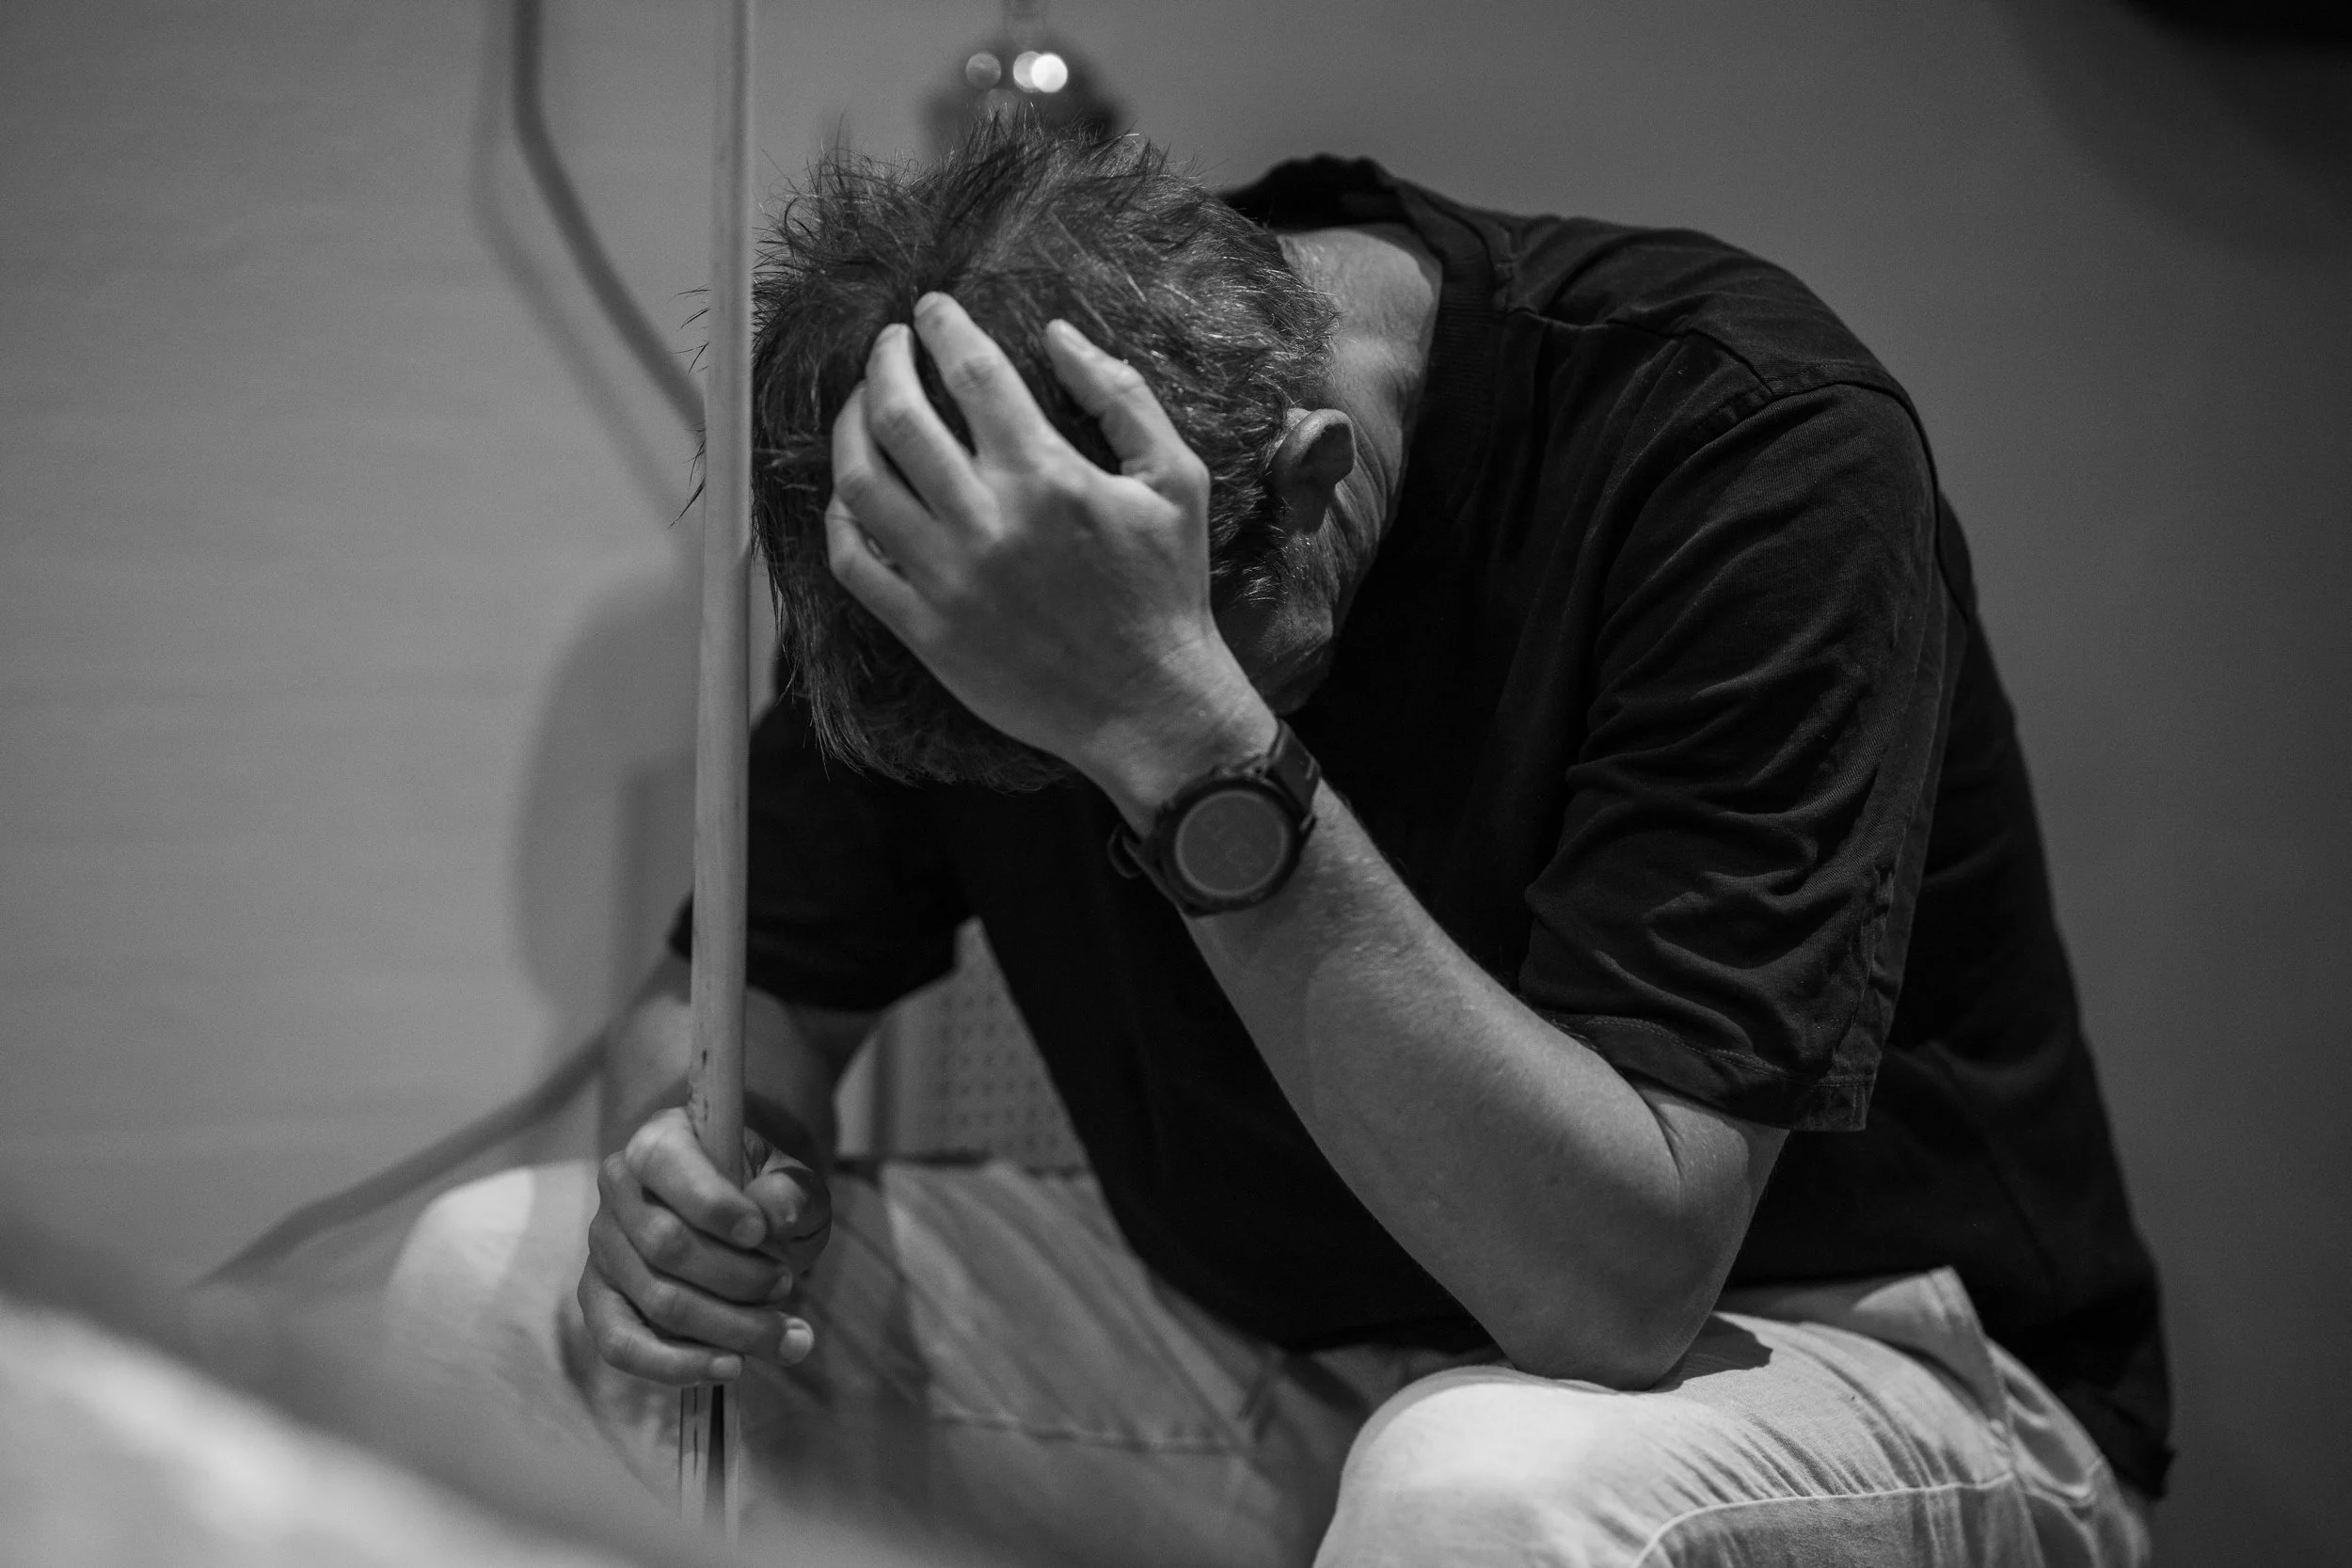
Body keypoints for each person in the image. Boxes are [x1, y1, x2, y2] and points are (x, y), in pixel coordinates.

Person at [395, 121, 2169, 1567]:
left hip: (1848, 1350)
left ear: (1313, 491)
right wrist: (704, 1172)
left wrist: (1174, 735)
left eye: (1077, 718)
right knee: (497, 1287)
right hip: (1268, 1343)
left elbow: (1614, 1291)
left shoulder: (1739, 449)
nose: (1066, 778)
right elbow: (740, 995)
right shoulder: (988, 488)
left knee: (1483, 1485)